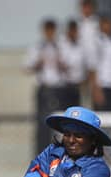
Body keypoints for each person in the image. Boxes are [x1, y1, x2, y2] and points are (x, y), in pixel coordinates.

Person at [24, 18, 65, 157]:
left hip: (58, 88)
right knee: (42, 123)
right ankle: (41, 153)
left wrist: (61, 63)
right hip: (43, 87)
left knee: (57, 124)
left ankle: (56, 152)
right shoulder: (37, 47)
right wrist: (38, 63)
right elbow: (26, 67)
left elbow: (70, 67)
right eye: (47, 30)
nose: (50, 33)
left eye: (52, 30)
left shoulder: (60, 47)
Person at [59, 19, 88, 108]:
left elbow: (85, 66)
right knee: (64, 111)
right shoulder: (61, 45)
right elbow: (60, 63)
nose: (73, 33)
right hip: (64, 85)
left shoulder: (81, 46)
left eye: (75, 30)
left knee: (76, 113)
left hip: (77, 86)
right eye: (71, 30)